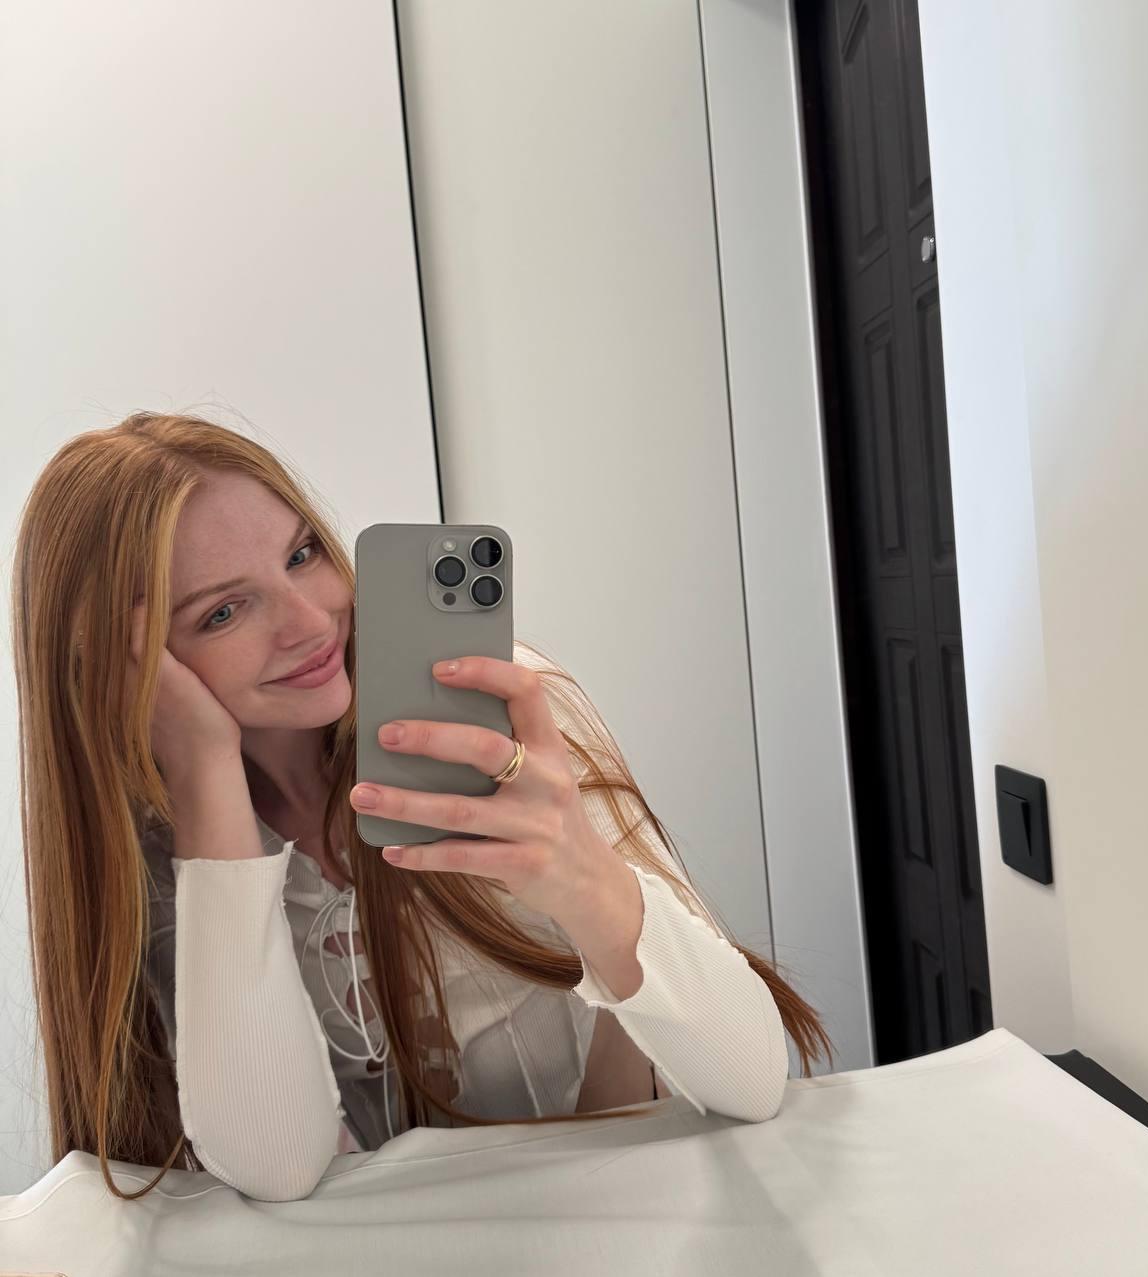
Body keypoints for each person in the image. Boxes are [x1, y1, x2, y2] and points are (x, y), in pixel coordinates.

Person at [11, 412, 835, 1202]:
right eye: (224, 611)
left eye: (301, 554)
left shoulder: (497, 720)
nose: (311, 621)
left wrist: (584, 874)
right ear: (128, 669)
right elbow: (278, 1166)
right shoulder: (153, 852)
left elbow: (754, 1078)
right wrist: (205, 777)